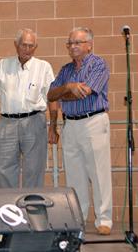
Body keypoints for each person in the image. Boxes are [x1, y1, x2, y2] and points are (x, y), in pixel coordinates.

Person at [47, 27, 112, 235]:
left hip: (93, 121)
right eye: (70, 43)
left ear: (89, 45)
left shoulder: (98, 64)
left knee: (98, 173)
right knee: (74, 174)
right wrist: (69, 86)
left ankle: (104, 219)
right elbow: (50, 95)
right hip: (70, 124)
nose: (72, 46)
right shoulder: (66, 70)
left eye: (77, 42)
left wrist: (64, 92)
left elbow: (83, 95)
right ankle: (79, 217)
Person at [0, 28, 59, 188]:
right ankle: (9, 210)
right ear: (16, 45)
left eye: (31, 46)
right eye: (24, 45)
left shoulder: (43, 67)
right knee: (4, 169)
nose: (27, 49)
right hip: (7, 123)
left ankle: (31, 211)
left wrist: (53, 126)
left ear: (35, 47)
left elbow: (52, 98)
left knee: (34, 170)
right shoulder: (3, 65)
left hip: (34, 122)